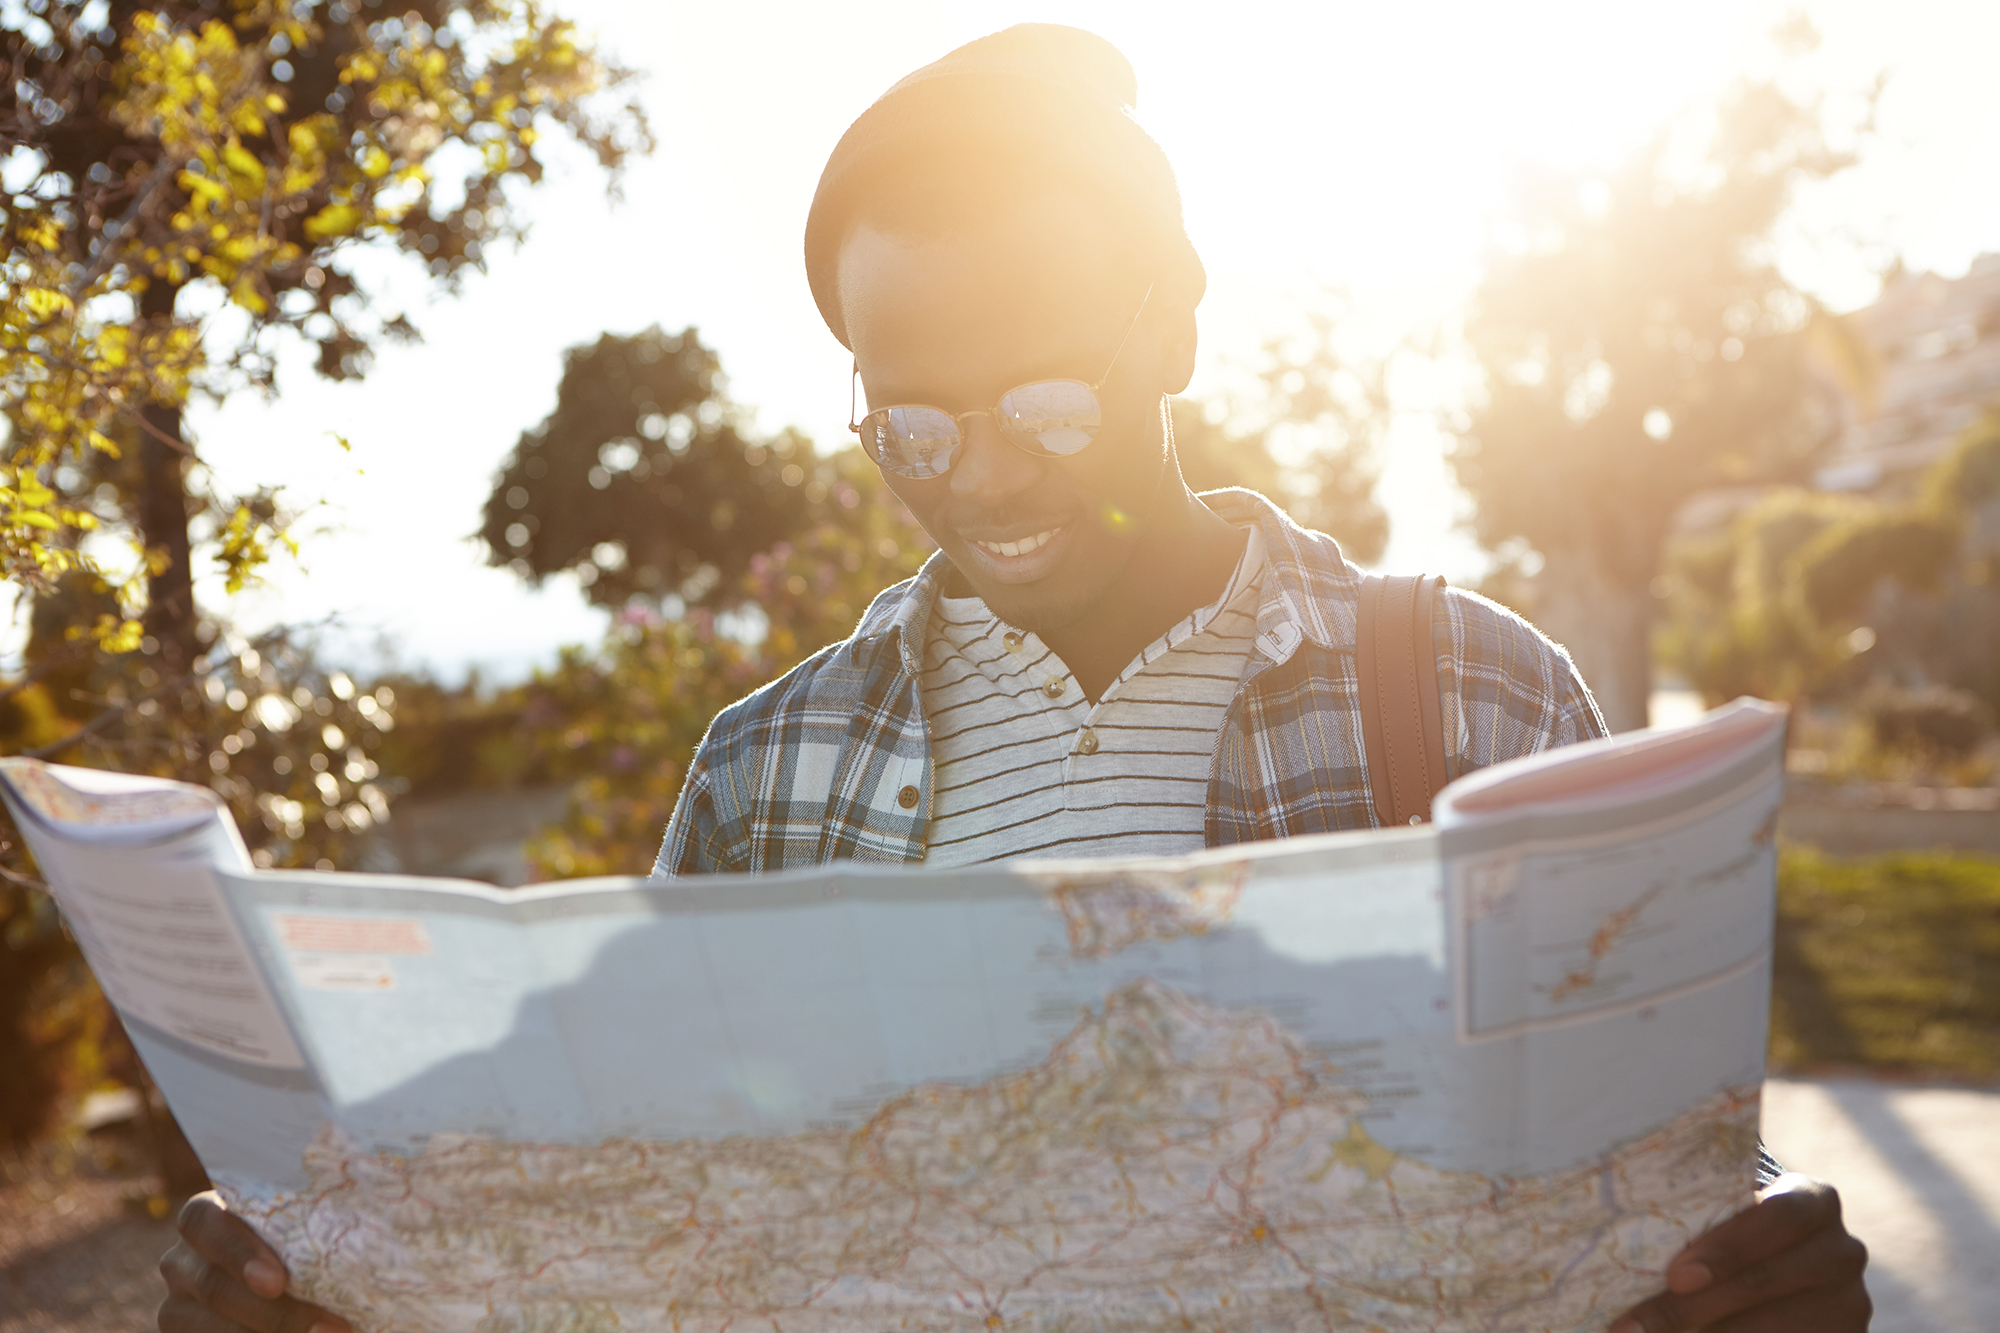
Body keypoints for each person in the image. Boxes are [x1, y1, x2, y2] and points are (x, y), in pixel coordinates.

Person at [158, 25, 1870, 1333]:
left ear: (1178, 325)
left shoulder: (1476, 696)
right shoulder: (771, 775)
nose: (985, 476)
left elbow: (1644, 1175)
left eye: (1046, 400)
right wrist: (330, 1284)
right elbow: (654, 1242)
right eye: (911, 419)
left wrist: (1762, 1259)